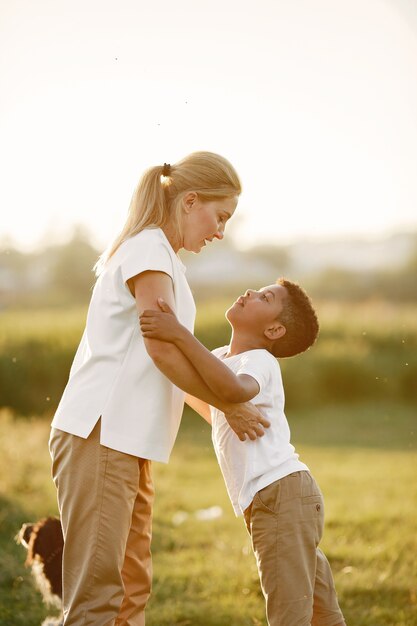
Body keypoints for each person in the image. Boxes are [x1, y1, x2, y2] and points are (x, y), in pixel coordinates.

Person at [48, 151, 270, 626]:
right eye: (219, 216)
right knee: (99, 597)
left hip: (126, 442)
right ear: (191, 201)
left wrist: (227, 416)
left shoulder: (162, 258)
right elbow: (163, 349)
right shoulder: (149, 250)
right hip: (101, 435)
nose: (220, 232)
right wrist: (230, 402)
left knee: (130, 589)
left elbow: (167, 364)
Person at [139, 278, 347, 626]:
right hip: (278, 500)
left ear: (275, 329)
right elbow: (195, 388)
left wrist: (179, 334)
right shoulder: (222, 357)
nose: (250, 293)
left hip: (281, 495)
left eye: (265, 297)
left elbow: (235, 390)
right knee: (320, 613)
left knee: (289, 616)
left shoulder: (259, 361)